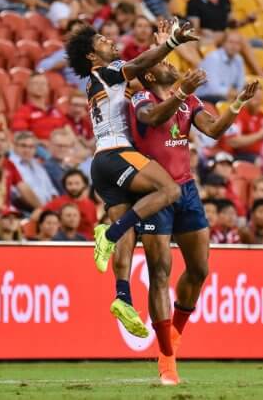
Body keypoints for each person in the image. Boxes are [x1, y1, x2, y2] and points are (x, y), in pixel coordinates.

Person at [128, 58, 258, 384]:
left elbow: (213, 129)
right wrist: (182, 90)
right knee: (160, 272)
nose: (171, 64)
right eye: (164, 62)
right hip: (155, 192)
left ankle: (174, 335)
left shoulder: (189, 100)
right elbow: (152, 119)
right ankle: (167, 361)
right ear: (151, 73)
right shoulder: (141, 97)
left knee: (200, 269)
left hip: (186, 190)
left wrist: (238, 102)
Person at [65, 18, 198, 295]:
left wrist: (162, 48)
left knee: (128, 232)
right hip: (117, 153)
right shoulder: (106, 71)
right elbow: (140, 67)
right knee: (170, 189)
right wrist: (172, 44)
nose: (111, 41)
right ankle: (108, 234)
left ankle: (122, 296)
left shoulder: (100, 83)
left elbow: (149, 73)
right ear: (91, 55)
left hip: (101, 162)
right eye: (103, 40)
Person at [186, 0, 263, 77]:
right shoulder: (193, 2)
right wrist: (205, 32)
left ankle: (259, 74)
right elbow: (194, 29)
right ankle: (260, 75)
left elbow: (231, 23)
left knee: (255, 41)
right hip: (207, 38)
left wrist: (246, 21)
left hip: (223, 36)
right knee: (239, 38)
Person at [0, 129, 41, 208]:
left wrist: (41, 209)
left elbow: (24, 189)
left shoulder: (10, 164)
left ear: (8, 145)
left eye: (3, 140)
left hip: (6, 210)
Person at [11, 73, 70, 146]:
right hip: (40, 150)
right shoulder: (23, 111)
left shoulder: (55, 111)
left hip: (63, 148)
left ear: (48, 88)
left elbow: (70, 133)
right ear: (28, 87)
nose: (40, 86)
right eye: (36, 83)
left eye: (43, 83)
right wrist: (42, 143)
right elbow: (20, 136)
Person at [43, 169, 98, 240]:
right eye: (69, 184)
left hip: (88, 245)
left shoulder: (91, 205)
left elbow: (95, 228)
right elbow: (38, 217)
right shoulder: (56, 203)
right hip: (63, 244)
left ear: (84, 184)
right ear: (64, 185)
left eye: (77, 183)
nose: (73, 187)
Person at [194, 31, 245, 104]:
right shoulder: (213, 58)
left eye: (237, 43)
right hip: (204, 98)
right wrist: (233, 93)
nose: (234, 46)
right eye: (231, 42)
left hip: (225, 96)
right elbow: (213, 89)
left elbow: (240, 84)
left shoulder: (239, 60)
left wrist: (236, 93)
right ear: (223, 43)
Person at [10, 131, 59, 204]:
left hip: (48, 210)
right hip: (27, 211)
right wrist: (40, 210)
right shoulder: (10, 165)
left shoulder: (37, 164)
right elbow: (15, 196)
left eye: (31, 147)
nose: (27, 150)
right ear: (15, 146)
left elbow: (51, 190)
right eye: (23, 146)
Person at [222, 88, 263, 163]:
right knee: (262, 163)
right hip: (236, 155)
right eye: (254, 97)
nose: (257, 101)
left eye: (259, 98)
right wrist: (259, 135)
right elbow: (233, 142)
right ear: (245, 97)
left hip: (259, 155)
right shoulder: (236, 114)